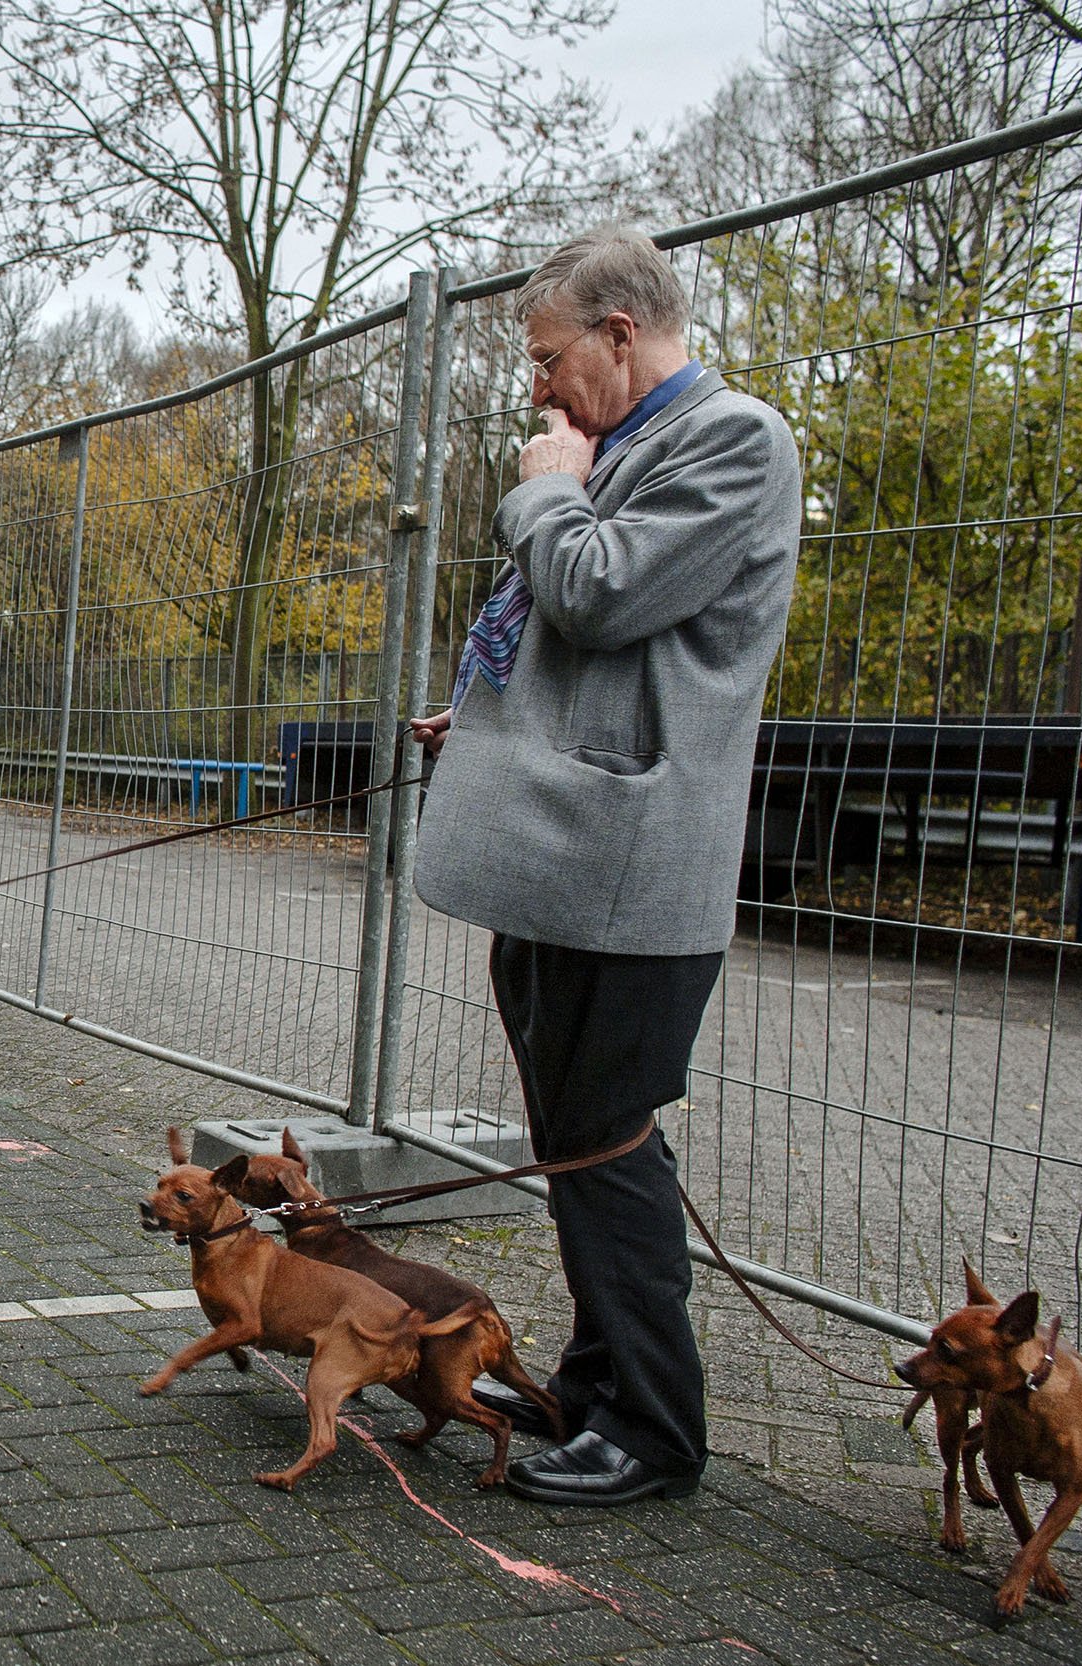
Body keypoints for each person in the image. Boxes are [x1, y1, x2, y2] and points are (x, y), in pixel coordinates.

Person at [407, 225, 801, 1506]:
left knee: (600, 1142)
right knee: (578, 1133)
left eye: (547, 355)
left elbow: (598, 591)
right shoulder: (625, 449)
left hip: (627, 874)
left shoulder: (733, 440)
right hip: (562, 854)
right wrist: (486, 718)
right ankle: (600, 1383)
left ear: (620, 333)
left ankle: (651, 1429)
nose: (536, 387)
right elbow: (589, 654)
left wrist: (543, 485)